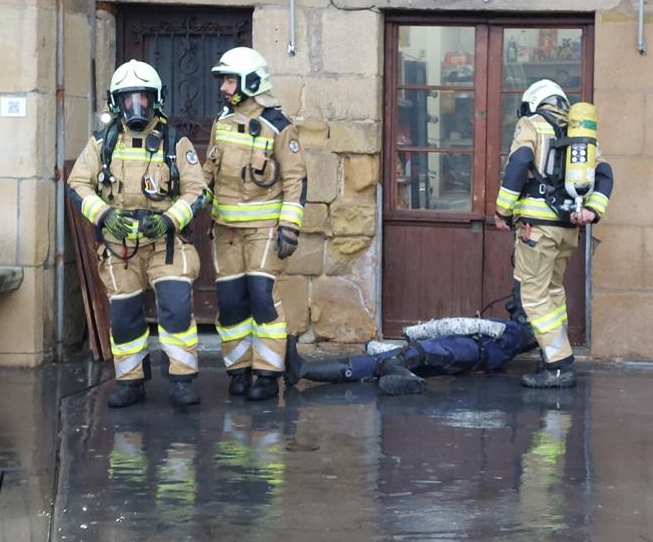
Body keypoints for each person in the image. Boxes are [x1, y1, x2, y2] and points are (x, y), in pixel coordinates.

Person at [68, 60, 208, 409]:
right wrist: (104, 215)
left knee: (176, 309)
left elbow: (197, 191)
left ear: (155, 99)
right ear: (116, 102)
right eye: (128, 99)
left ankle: (181, 380)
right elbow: (77, 183)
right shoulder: (103, 142)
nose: (136, 106)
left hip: (166, 243)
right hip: (120, 247)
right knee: (125, 316)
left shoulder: (176, 141)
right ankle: (130, 382)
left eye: (142, 99)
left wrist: (168, 221)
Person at [493, 80, 613, 389]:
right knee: (552, 291)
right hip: (566, 228)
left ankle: (558, 365)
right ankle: (555, 353)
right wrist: (594, 211)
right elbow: (604, 173)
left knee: (533, 295)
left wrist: (503, 210)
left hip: (537, 228)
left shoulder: (531, 124)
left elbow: (519, 163)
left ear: (534, 102)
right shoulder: (578, 134)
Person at [204, 47, 307, 402]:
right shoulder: (222, 122)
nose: (224, 88)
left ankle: (267, 373)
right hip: (226, 232)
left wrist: (289, 228)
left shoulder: (279, 126)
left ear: (250, 81)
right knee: (231, 302)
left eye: (230, 80)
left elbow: (296, 180)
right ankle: (238, 371)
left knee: (263, 299)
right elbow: (208, 174)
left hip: (265, 229)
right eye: (224, 81)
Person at [284, 316, 537, 396]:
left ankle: (409, 381)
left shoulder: (509, 330)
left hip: (464, 349)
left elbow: (456, 325)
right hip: (465, 356)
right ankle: (303, 369)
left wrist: (415, 332)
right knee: (382, 362)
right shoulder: (510, 345)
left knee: (418, 353)